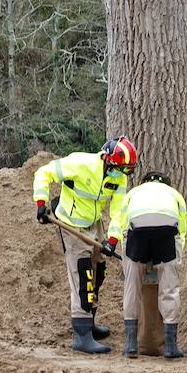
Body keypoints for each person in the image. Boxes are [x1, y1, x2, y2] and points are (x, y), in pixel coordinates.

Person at [33, 136, 137, 354]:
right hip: (70, 223)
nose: (123, 174)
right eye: (121, 169)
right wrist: (41, 203)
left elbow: (119, 211)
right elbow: (44, 172)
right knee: (83, 274)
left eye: (127, 170)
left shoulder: (119, 178)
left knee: (98, 272)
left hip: (94, 223)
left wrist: (112, 239)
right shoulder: (80, 164)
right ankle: (81, 335)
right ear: (108, 161)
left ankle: (90, 321)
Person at [106, 171, 187, 359]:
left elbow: (121, 223)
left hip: (137, 226)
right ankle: (170, 346)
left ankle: (131, 345)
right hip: (167, 227)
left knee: (131, 286)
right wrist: (172, 262)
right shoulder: (174, 194)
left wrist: (132, 261)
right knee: (169, 287)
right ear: (166, 182)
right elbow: (181, 231)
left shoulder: (133, 193)